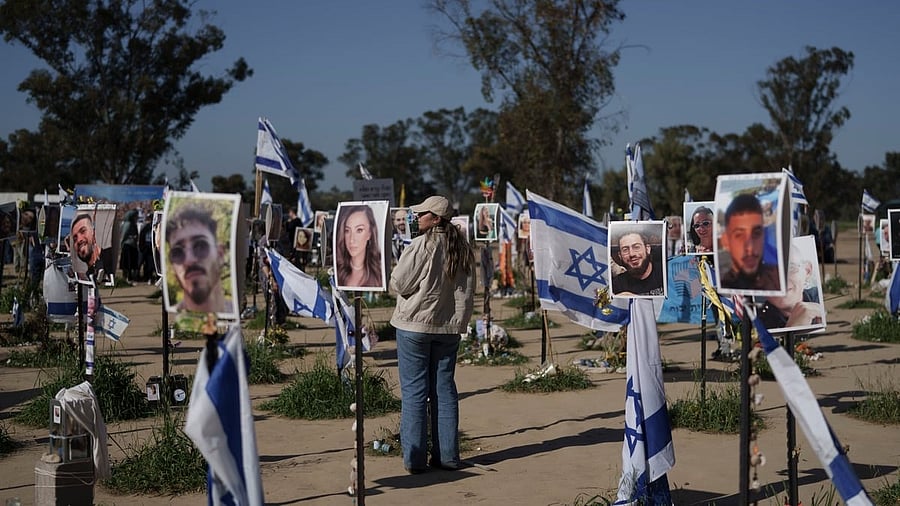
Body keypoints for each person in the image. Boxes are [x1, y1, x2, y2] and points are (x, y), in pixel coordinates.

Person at [389, 195, 475, 474]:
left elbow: (400, 283)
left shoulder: (421, 245)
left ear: (435, 218)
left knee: (414, 392)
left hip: (415, 325)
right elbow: (468, 291)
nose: (416, 218)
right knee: (444, 390)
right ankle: (448, 457)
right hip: (448, 327)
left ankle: (415, 460)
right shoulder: (462, 247)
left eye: (422, 214)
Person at [165, 203, 230, 314]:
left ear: (220, 254)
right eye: (178, 252)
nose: (190, 260)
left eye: (200, 246)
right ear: (173, 268)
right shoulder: (175, 321)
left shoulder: (233, 315)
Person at [720, 194, 780, 291]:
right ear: (725, 241)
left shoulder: (777, 279)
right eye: (739, 235)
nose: (750, 247)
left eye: (756, 233)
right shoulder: (724, 290)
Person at [758, 244, 824, 330]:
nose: (780, 281)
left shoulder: (822, 299)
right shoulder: (753, 321)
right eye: (768, 273)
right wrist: (792, 329)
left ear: (807, 271)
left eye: (790, 268)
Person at [335, 204, 383, 287]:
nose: (352, 239)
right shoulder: (338, 272)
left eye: (359, 230)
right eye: (347, 231)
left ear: (370, 233)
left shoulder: (379, 274)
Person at [611, 231, 664, 296]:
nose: (631, 254)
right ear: (620, 256)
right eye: (625, 250)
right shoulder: (617, 285)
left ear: (647, 249)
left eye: (636, 247)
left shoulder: (665, 273)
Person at [119, 209, 139, 282]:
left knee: (130, 262)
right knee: (128, 262)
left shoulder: (132, 224)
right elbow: (124, 235)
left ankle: (129, 276)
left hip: (131, 245)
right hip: (128, 245)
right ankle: (128, 276)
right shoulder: (128, 224)